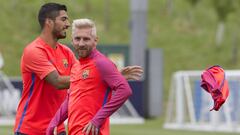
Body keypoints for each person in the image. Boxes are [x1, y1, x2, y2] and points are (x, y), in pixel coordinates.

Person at [14, 3, 143, 135]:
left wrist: (110, 76)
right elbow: (59, 81)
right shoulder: (34, 51)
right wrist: (99, 76)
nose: (68, 24)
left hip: (57, 129)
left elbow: (86, 75)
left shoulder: (66, 52)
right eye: (63, 19)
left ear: (95, 41)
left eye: (86, 39)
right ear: (49, 22)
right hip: (30, 128)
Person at [47, 18, 134, 135]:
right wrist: (54, 122)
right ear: (72, 40)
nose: (81, 43)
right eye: (77, 39)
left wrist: (97, 120)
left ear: (95, 40)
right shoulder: (76, 67)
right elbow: (70, 99)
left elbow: (125, 90)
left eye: (86, 39)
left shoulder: (102, 63)